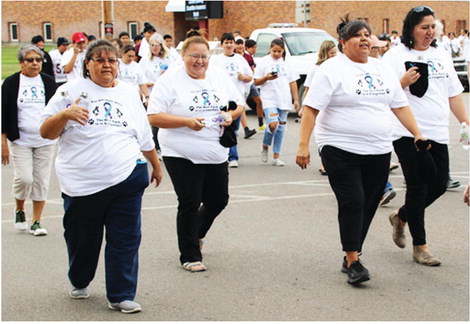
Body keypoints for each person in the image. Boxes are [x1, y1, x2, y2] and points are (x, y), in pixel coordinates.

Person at [296, 18, 425, 285]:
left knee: (368, 202)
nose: (365, 39)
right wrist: (303, 145)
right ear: (343, 42)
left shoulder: (382, 69)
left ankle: (352, 252)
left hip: (378, 149)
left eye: (367, 34)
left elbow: (399, 106)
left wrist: (417, 133)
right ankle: (353, 260)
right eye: (357, 35)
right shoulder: (331, 69)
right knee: (353, 199)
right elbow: (311, 109)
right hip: (339, 147)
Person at [39, 40, 162, 313]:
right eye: (99, 60)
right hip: (83, 183)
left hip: (128, 175)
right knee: (83, 237)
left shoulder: (130, 93)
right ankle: (80, 278)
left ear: (117, 65)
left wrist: (155, 164)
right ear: (88, 64)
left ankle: (121, 294)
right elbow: (46, 132)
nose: (106, 65)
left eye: (111, 60)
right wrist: (64, 114)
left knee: (126, 238)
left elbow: (143, 133)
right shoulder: (70, 91)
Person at [147, 36, 244, 272]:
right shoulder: (169, 80)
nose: (199, 61)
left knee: (218, 200)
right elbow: (154, 116)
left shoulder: (218, 75)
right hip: (180, 150)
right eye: (194, 56)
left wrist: (231, 115)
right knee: (189, 201)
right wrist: (186, 122)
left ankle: (196, 234)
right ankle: (189, 255)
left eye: (204, 57)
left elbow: (238, 104)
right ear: (183, 56)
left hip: (215, 150)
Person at [382, 6, 469, 266]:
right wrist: (402, 82)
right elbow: (384, 92)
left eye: (433, 27)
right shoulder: (395, 55)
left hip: (437, 131)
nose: (430, 32)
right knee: (418, 186)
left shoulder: (440, 55)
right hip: (407, 132)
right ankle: (421, 246)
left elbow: (453, 93)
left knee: (439, 184)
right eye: (424, 27)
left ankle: (402, 216)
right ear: (411, 29)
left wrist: (465, 121)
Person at [2, 44, 58, 236]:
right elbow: (3, 112)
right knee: (25, 178)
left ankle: (36, 221)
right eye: (29, 60)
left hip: (45, 140)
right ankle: (19, 208)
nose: (34, 63)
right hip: (21, 140)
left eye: (37, 60)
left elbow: (57, 111)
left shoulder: (49, 82)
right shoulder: (11, 83)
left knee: (41, 181)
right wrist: (3, 143)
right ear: (21, 63)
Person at [210, 33, 254, 168]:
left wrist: (244, 77)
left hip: (237, 100)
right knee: (222, 128)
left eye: (231, 42)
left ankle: (232, 156)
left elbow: (250, 77)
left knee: (233, 129)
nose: (229, 45)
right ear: (222, 44)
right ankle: (227, 155)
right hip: (221, 99)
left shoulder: (240, 60)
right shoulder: (216, 60)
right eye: (226, 42)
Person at [254, 38, 299, 166]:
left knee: (280, 129)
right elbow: (256, 81)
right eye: (274, 51)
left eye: (279, 51)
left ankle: (276, 156)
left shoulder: (287, 63)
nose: (276, 54)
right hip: (269, 99)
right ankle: (265, 146)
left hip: (283, 99)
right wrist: (266, 77)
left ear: (283, 51)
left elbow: (293, 82)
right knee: (273, 124)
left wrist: (295, 99)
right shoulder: (263, 62)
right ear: (270, 49)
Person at [302, 40, 337, 176]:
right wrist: (304, 106)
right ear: (325, 53)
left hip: (331, 106)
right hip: (318, 105)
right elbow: (308, 89)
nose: (334, 56)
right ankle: (324, 163)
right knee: (321, 133)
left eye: (335, 53)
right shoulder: (316, 68)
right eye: (331, 53)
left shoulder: (337, 67)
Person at [243, 39, 266, 131]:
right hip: (244, 83)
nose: (255, 49)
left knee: (259, 101)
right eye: (253, 47)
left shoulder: (251, 57)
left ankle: (260, 123)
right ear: (247, 48)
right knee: (240, 105)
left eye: (255, 47)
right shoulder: (245, 57)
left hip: (251, 82)